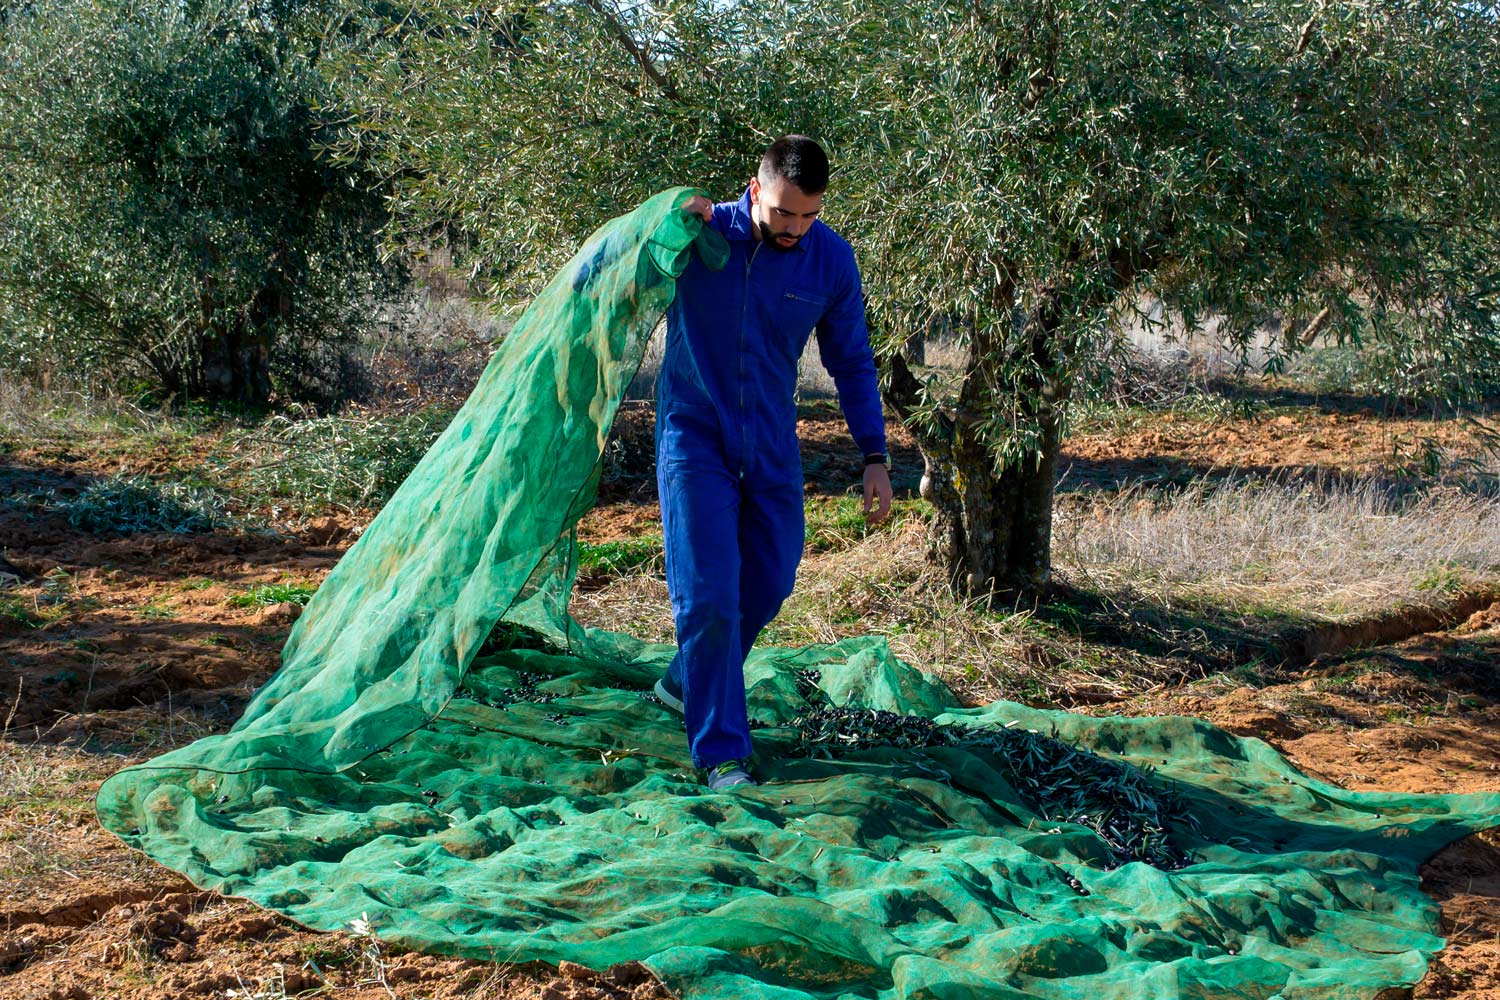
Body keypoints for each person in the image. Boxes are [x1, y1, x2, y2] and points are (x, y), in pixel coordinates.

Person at [651, 135, 892, 791]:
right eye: (784, 212)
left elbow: (851, 361)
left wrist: (874, 453)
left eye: (809, 215)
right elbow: (627, 255)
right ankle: (722, 755)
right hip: (693, 431)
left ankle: (685, 680)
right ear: (755, 190)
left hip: (771, 439)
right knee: (708, 594)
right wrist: (668, 213)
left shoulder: (830, 260)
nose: (795, 228)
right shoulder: (701, 235)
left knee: (771, 575)